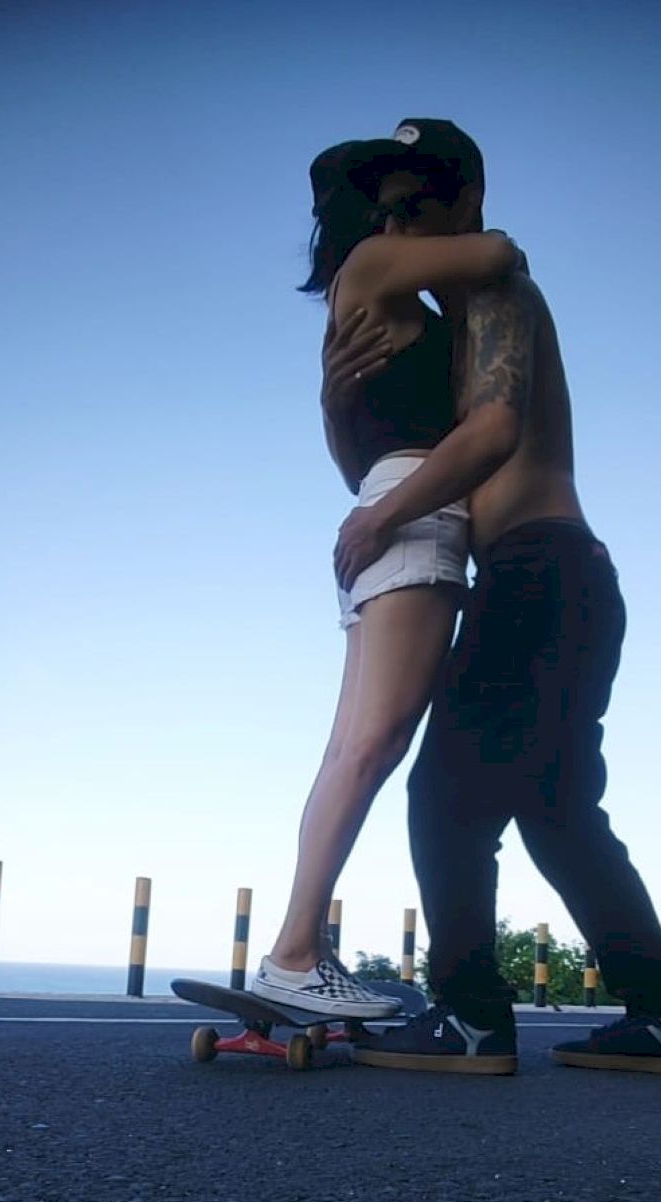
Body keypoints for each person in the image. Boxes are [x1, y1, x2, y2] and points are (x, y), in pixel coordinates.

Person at [325, 118, 661, 1077]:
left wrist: (379, 523)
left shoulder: (497, 294)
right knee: (559, 809)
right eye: (386, 215)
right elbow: (388, 456)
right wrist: (340, 403)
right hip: (561, 578)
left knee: (446, 798)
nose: (398, 229)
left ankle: (469, 1019)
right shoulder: (451, 321)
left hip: (539, 570)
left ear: (467, 198)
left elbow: (494, 431)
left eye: (418, 207)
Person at [249, 135, 522, 1020]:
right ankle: (295, 955)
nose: (403, 214)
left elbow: (350, 456)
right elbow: (498, 254)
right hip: (410, 511)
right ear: (366, 212)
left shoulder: (355, 289)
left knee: (349, 749)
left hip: (378, 504)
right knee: (372, 745)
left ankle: (294, 951)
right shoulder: (375, 262)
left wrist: (334, 409)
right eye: (390, 200)